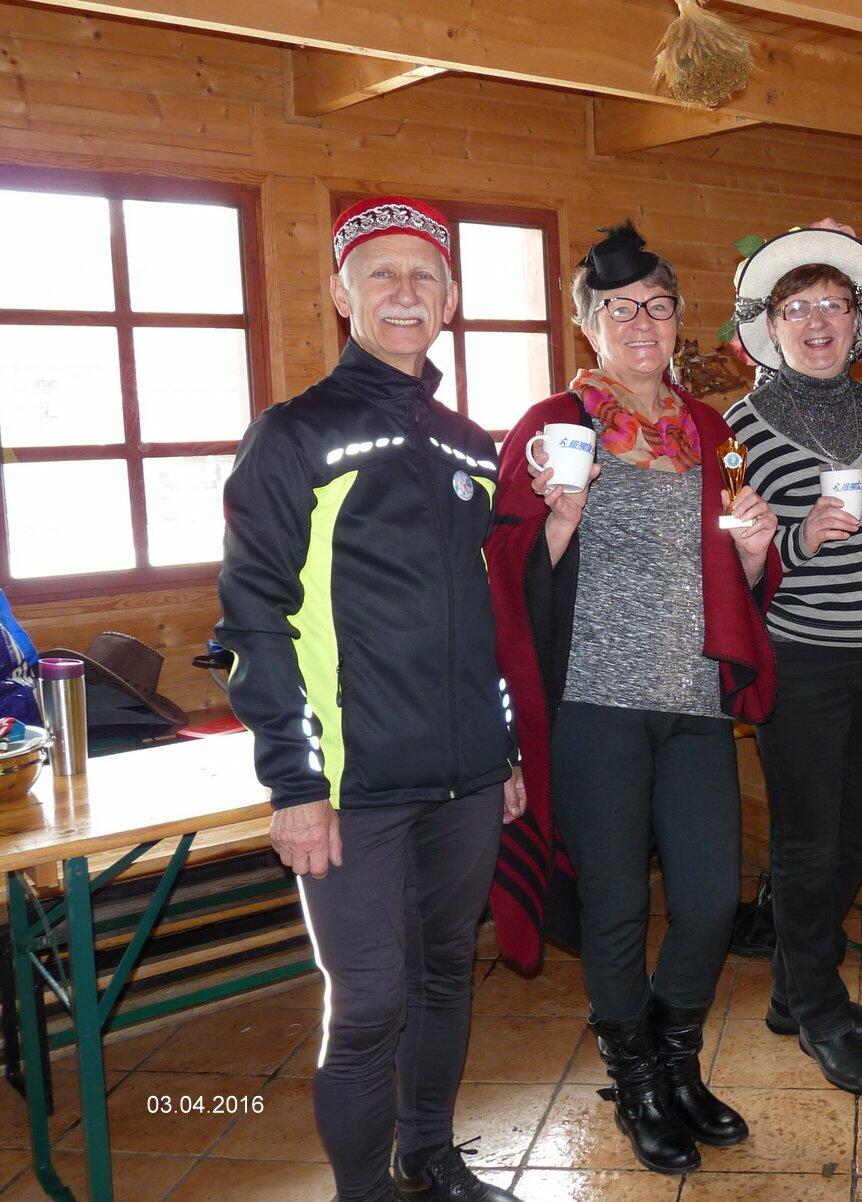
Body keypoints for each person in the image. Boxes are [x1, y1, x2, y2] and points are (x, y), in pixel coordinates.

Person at [218, 195, 523, 1202]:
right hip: (350, 787)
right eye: (380, 273)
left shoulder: (470, 443)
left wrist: (504, 752)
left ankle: (428, 1158)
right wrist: (295, 784)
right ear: (341, 293)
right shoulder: (293, 434)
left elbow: (480, 613)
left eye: (424, 274)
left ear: (450, 299)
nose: (404, 291)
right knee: (367, 1007)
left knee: (445, 976)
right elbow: (254, 619)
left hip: (466, 778)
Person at [486, 221, 781, 1174]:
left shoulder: (710, 431)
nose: (642, 322)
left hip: (692, 699)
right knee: (614, 904)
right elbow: (505, 572)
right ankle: (639, 1080)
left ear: (678, 318)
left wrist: (752, 556)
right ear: (589, 324)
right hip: (593, 705)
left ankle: (674, 1056)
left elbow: (733, 577)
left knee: (709, 899)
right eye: (620, 309)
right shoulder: (550, 427)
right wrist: (559, 522)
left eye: (658, 305)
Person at [726, 224, 862, 1095]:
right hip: (800, 661)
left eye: (835, 305)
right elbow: (731, 559)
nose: (818, 323)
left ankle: (793, 991)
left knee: (858, 833)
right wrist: (799, 538)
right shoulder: (741, 427)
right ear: (771, 325)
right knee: (810, 843)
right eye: (798, 308)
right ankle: (819, 1007)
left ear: (859, 324)